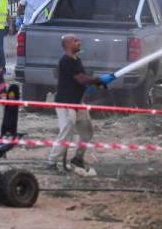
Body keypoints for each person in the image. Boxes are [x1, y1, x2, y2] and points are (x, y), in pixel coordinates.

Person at [46, 34, 115, 172]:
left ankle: (77, 158)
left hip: (78, 103)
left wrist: (97, 84)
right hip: (65, 104)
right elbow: (81, 79)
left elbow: (83, 80)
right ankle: (52, 162)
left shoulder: (76, 60)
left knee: (87, 132)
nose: (79, 42)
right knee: (66, 132)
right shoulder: (66, 61)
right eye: (75, 41)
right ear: (67, 45)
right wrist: (98, 80)